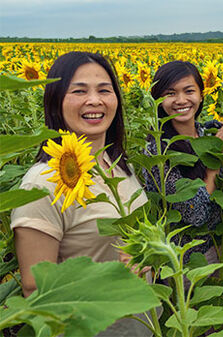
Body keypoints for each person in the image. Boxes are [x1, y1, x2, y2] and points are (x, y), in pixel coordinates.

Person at [11, 51, 151, 336]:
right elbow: (36, 288)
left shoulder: (118, 165)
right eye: (79, 91)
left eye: (104, 90)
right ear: (56, 101)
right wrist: (117, 282)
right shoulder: (44, 181)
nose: (94, 101)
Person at [144, 61, 223, 265]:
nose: (181, 100)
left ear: (201, 95)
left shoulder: (208, 133)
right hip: (185, 258)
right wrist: (214, 163)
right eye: (170, 93)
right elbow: (195, 213)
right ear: (157, 100)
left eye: (189, 91)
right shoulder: (157, 153)